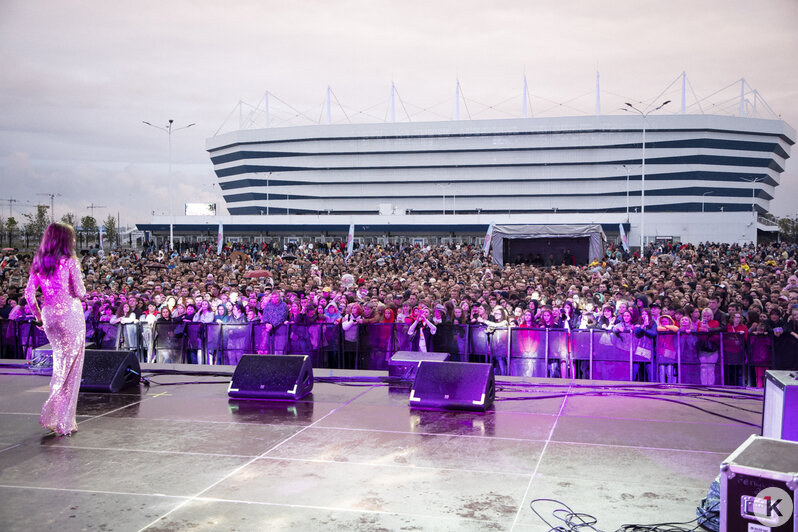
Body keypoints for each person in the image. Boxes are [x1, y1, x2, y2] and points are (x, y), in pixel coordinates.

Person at [24, 223, 86, 436]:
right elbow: (80, 291)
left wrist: (39, 317)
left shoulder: (39, 262)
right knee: (72, 369)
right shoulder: (70, 261)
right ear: (65, 239)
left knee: (60, 364)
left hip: (50, 316)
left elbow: (29, 295)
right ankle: (64, 421)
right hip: (71, 316)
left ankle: (55, 417)